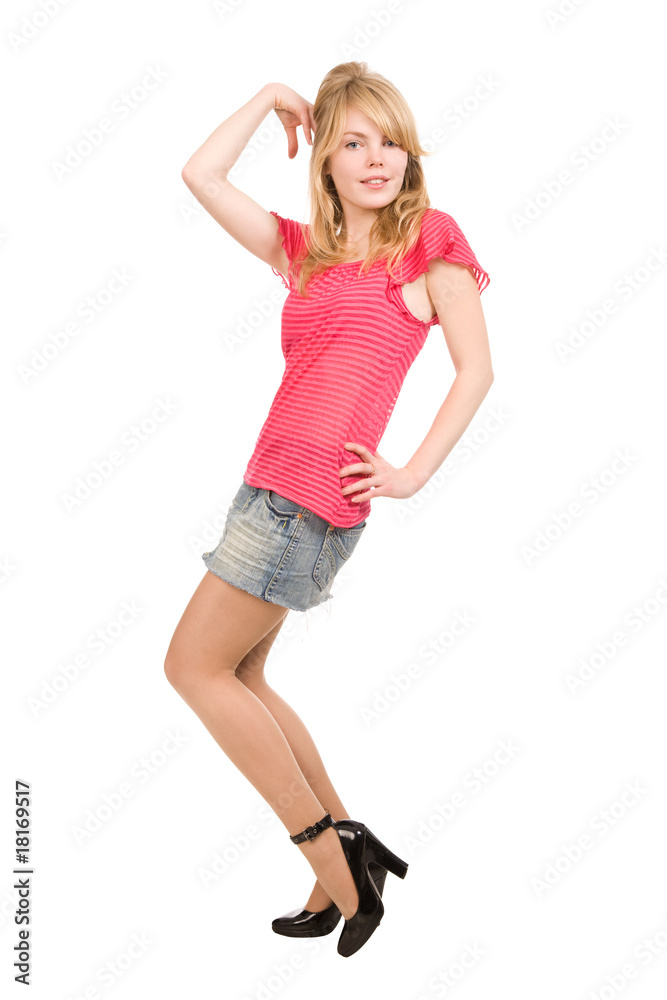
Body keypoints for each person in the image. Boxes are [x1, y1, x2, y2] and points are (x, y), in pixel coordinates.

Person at [165, 61, 493, 958]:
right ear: (325, 160)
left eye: (389, 140)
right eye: (352, 141)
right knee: (241, 676)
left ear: (408, 154)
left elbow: (475, 370)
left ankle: (337, 868)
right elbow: (201, 175)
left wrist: (410, 473)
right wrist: (270, 97)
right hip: (265, 488)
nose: (376, 157)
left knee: (191, 668)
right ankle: (345, 851)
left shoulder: (427, 243)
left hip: (305, 504)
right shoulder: (303, 249)